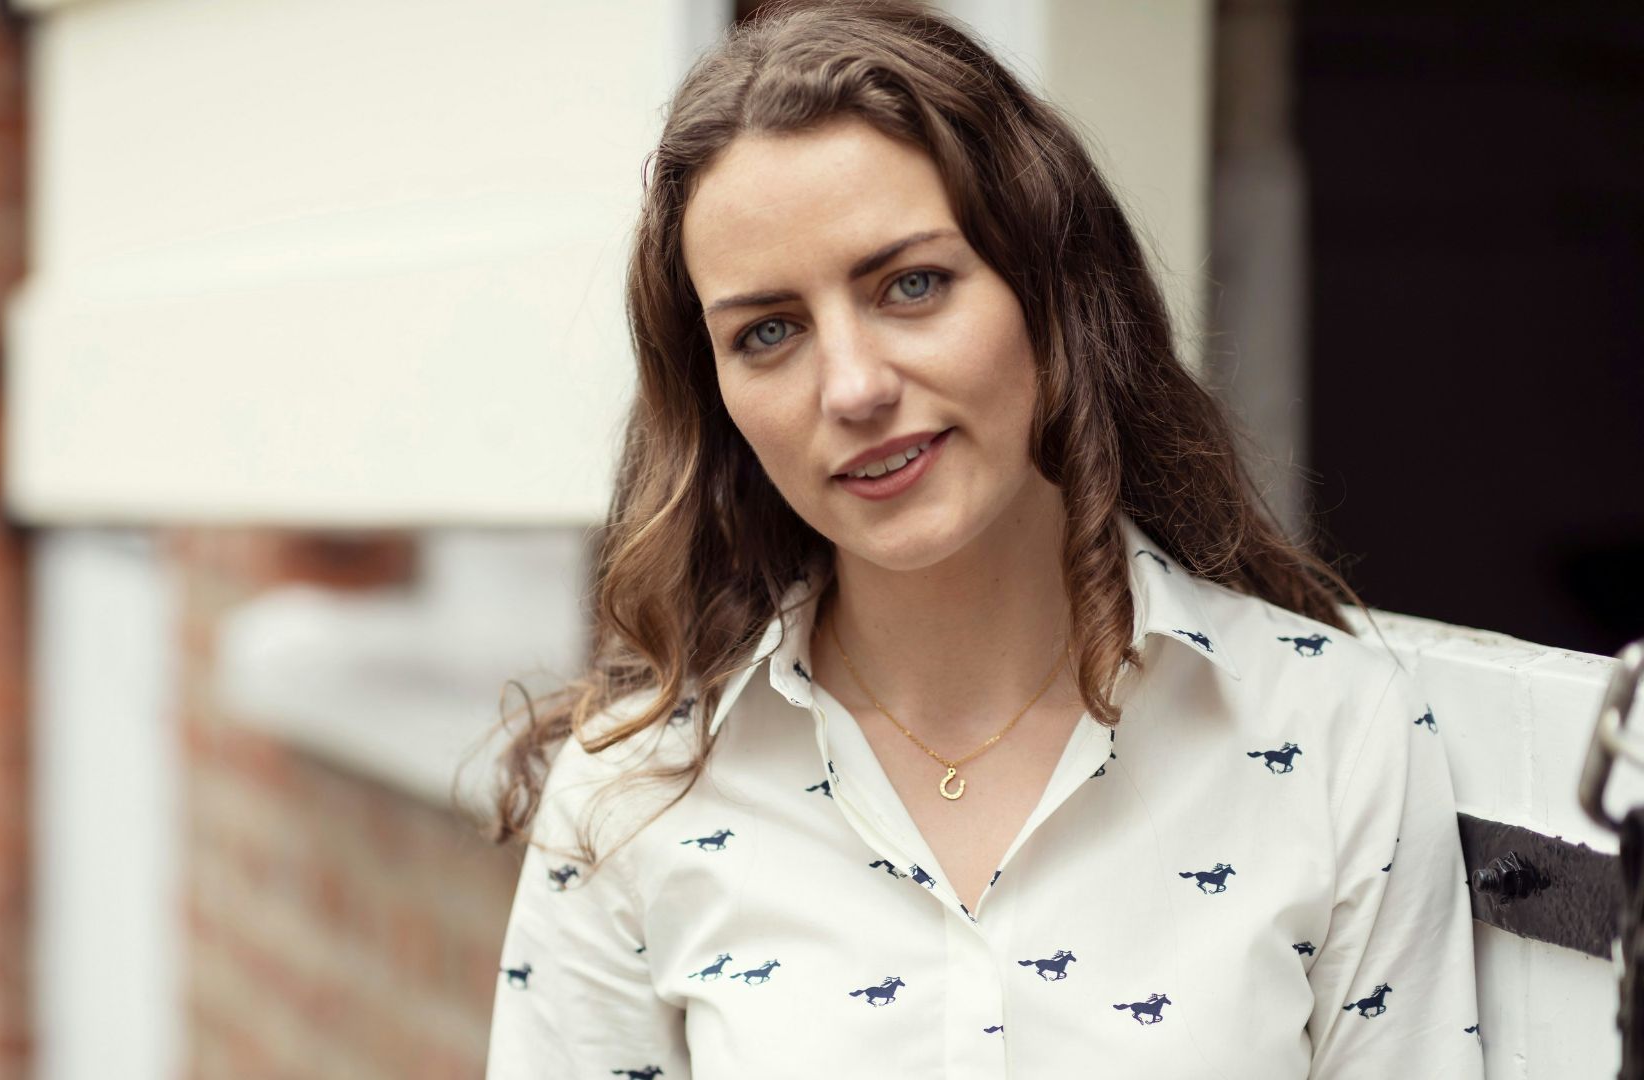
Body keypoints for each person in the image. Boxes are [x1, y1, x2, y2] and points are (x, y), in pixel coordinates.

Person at [475, 2, 1483, 1076]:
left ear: (1052, 288)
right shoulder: (632, 794)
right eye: (768, 332)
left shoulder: (1332, 733)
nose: (853, 388)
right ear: (715, 395)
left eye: (912, 285)